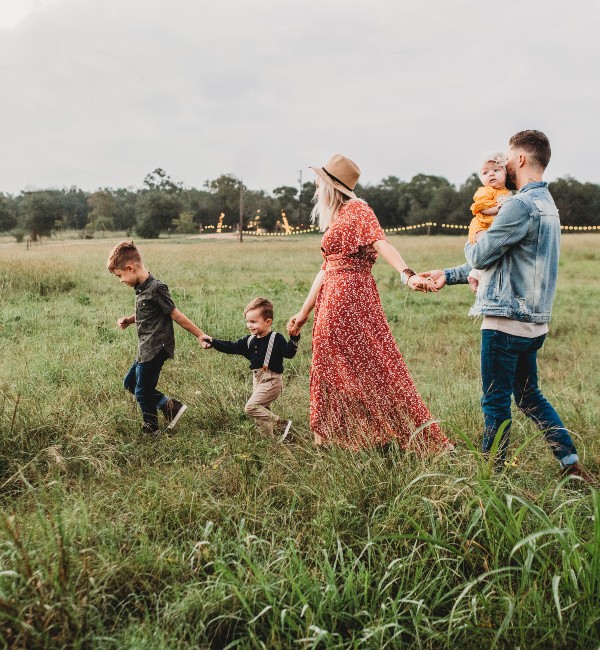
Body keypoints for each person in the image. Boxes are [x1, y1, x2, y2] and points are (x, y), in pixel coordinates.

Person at [420, 131, 594, 482]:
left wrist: (475, 239)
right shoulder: (548, 205)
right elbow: (504, 260)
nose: (503, 165)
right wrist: (449, 275)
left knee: (494, 401)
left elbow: (482, 254)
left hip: (505, 322)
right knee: (530, 397)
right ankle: (570, 464)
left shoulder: (518, 205)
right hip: (534, 324)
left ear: (521, 160)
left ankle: (492, 476)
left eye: (508, 158)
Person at [287, 153, 451, 452]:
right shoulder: (338, 217)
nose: (315, 188)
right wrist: (303, 312)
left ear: (331, 186)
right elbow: (325, 269)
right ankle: (333, 437)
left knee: (370, 365)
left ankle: (380, 434)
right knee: (331, 366)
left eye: (319, 182)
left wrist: (407, 274)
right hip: (332, 297)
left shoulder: (358, 209)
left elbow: (381, 243)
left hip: (350, 297)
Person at [107, 241, 206, 436]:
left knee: (143, 390)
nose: (120, 280)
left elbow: (175, 314)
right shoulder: (142, 288)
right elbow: (149, 313)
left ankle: (151, 428)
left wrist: (200, 334)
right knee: (130, 383)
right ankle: (170, 406)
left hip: (156, 347)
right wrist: (129, 319)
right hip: (145, 347)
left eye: (120, 276)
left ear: (130, 268)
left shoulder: (157, 288)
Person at [202, 297, 299, 441]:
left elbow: (289, 354)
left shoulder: (275, 338)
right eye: (248, 321)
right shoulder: (249, 340)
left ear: (268, 322)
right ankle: (269, 442)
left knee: (251, 407)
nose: (249, 325)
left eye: (253, 322)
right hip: (257, 380)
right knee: (262, 412)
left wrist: (294, 338)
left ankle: (281, 423)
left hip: (272, 380)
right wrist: (213, 342)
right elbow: (231, 346)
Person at [467, 152, 512, 293]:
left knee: (492, 251)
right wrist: (496, 209)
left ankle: (474, 274)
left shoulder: (507, 192)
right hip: (481, 226)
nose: (491, 174)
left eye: (496, 170)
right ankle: (477, 276)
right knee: (486, 246)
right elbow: (481, 207)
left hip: (492, 226)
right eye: (485, 173)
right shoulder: (485, 191)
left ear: (505, 174)